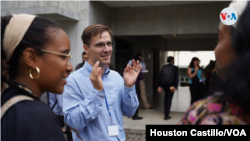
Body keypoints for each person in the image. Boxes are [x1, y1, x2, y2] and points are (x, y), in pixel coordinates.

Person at [0, 14, 73, 141]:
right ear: (31, 58)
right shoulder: (37, 118)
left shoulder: (8, 102)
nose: (70, 67)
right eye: (63, 56)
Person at [63, 24, 141, 141]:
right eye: (100, 44)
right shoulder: (72, 81)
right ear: (86, 48)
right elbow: (74, 123)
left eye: (109, 43)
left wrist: (128, 87)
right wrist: (96, 92)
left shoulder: (116, 77)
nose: (107, 49)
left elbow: (130, 112)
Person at [178, 0, 250, 125]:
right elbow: (192, 76)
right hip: (193, 86)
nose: (215, 50)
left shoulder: (206, 116)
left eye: (220, 37)